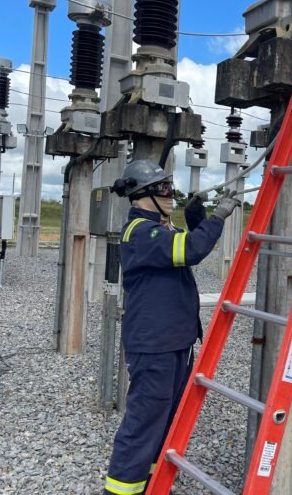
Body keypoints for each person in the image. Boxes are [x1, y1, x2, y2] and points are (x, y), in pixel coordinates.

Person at [103, 160, 241, 495]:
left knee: (164, 421)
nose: (170, 194)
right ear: (143, 195)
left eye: (170, 187)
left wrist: (197, 214)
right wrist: (220, 216)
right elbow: (191, 249)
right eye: (164, 188)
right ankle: (119, 491)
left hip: (175, 342)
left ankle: (150, 483)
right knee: (144, 422)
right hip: (155, 345)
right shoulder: (141, 232)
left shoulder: (160, 230)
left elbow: (188, 240)